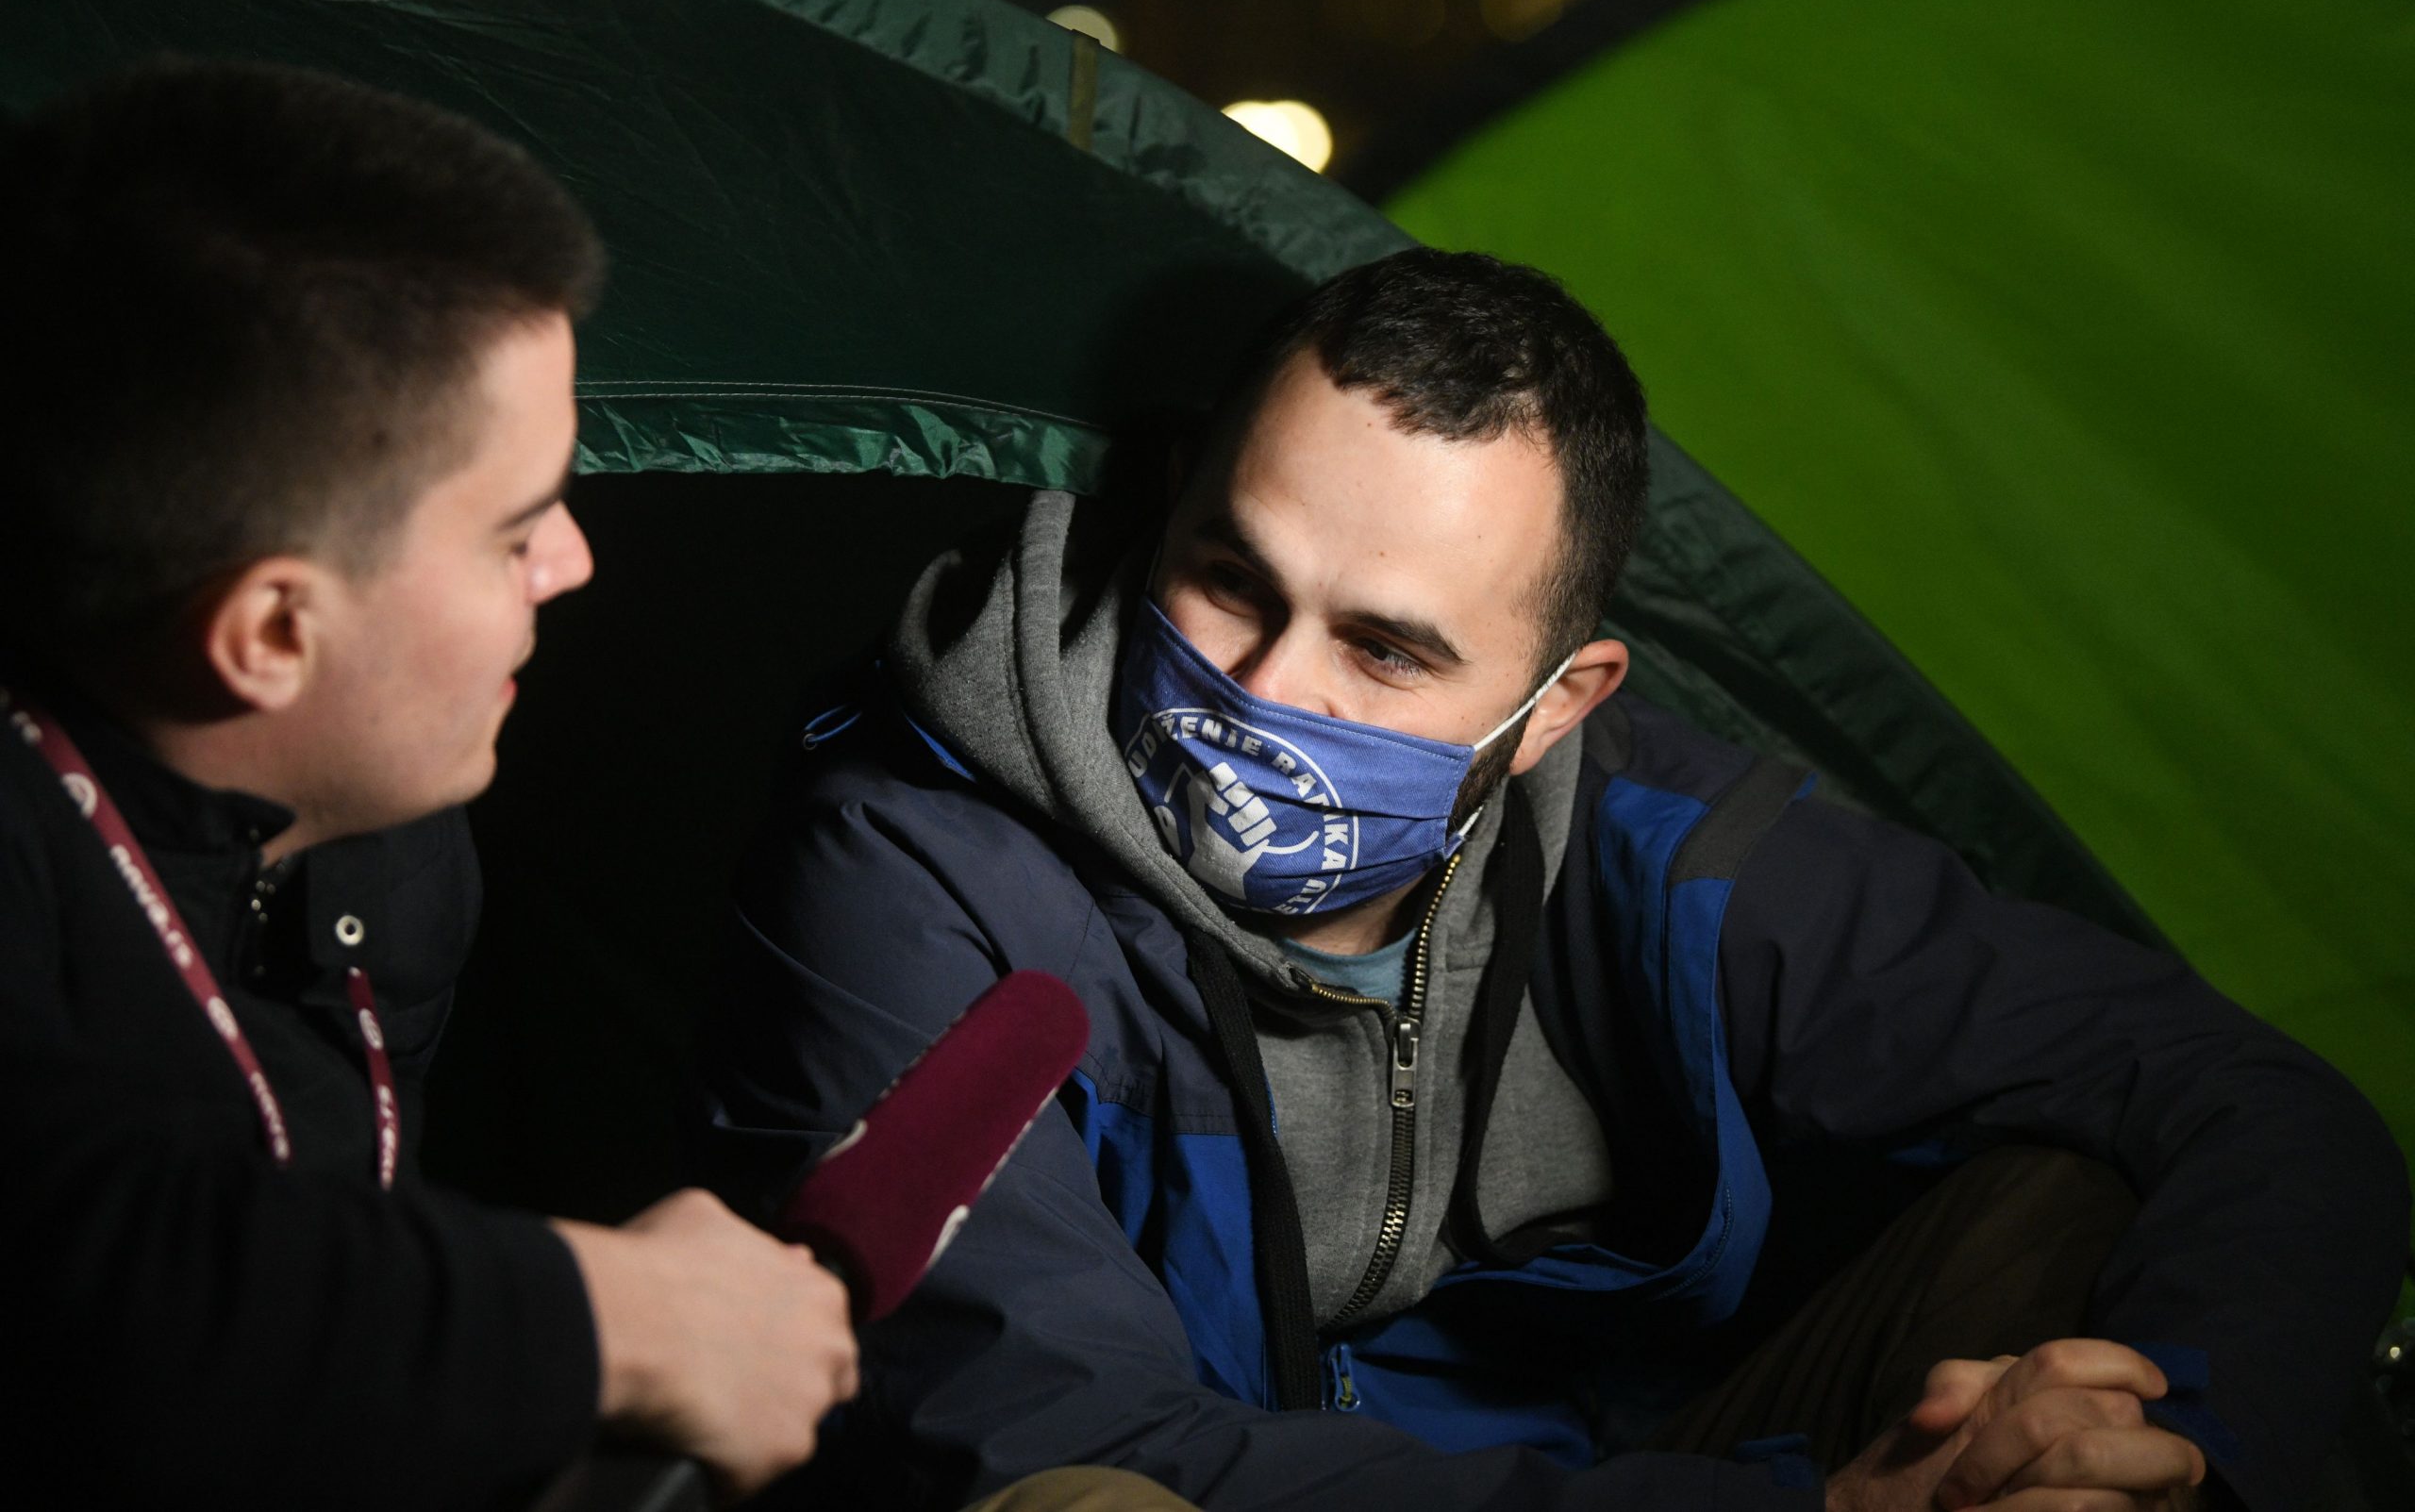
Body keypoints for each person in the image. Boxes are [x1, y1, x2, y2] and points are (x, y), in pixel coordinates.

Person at [700, 248, 2409, 1511]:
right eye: (1231, 579)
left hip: (1640, 1473)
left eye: (1387, 650)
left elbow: (2262, 1104)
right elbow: (1052, 1438)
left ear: (1550, 710)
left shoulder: (1663, 843)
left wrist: (2175, 1441)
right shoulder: (912, 855)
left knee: (2085, 1218)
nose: (1274, 692)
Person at [0, 58, 865, 1508]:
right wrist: (622, 1318)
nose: (574, 564)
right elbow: (76, 1267)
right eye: (514, 528)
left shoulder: (391, 844)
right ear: (274, 630)